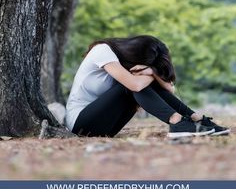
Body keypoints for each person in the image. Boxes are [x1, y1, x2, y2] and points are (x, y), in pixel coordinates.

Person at [65, 35, 230, 139]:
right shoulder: (102, 50)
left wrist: (153, 72)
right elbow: (134, 85)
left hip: (106, 127)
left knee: (142, 84)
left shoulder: (125, 65)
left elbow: (168, 89)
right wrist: (151, 75)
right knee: (130, 86)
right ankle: (177, 122)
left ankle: (197, 120)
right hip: (80, 122)